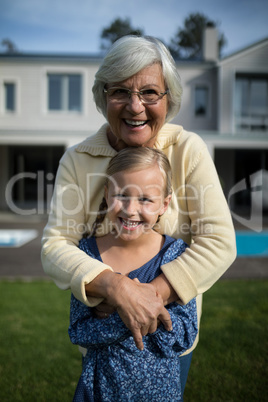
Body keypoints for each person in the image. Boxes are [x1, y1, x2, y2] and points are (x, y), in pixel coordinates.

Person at [41, 35, 236, 393]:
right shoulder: (77, 160)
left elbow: (219, 242)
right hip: (101, 347)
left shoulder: (187, 151)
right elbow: (55, 246)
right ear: (104, 97)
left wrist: (148, 298)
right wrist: (116, 289)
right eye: (120, 92)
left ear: (168, 99)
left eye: (149, 92)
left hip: (165, 337)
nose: (135, 106)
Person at [69, 147, 198, 401]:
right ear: (106, 195)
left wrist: (118, 309)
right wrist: (138, 308)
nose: (130, 209)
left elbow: (184, 334)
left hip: (160, 395)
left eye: (145, 200)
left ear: (164, 204)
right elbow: (79, 331)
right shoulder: (86, 254)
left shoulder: (176, 256)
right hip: (99, 393)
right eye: (121, 195)